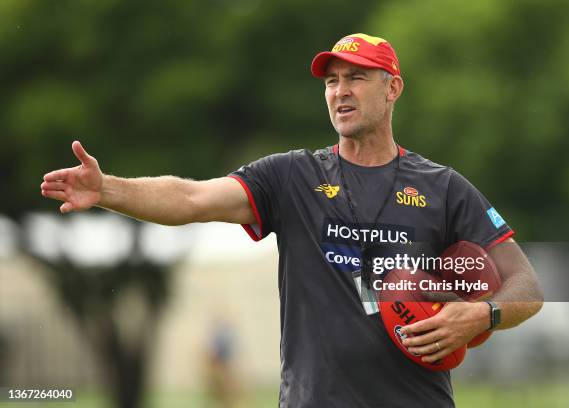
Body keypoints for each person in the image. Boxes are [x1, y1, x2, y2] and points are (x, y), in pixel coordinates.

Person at [41, 33, 543, 407]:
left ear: (393, 89)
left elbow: (526, 286)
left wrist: (482, 315)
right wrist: (108, 189)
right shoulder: (291, 176)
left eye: (356, 78)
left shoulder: (443, 187)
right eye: (331, 81)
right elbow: (191, 199)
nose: (339, 92)